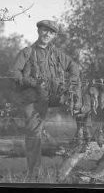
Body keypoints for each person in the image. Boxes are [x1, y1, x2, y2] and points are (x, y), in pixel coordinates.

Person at [10, 20, 81, 180]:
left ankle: (80, 149)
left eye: (51, 32)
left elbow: (74, 67)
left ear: (54, 36)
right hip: (34, 98)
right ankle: (34, 174)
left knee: (83, 107)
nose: (47, 34)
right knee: (34, 133)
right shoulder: (27, 52)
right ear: (39, 31)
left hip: (54, 95)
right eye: (44, 30)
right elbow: (14, 73)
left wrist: (72, 85)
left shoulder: (56, 54)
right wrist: (33, 83)